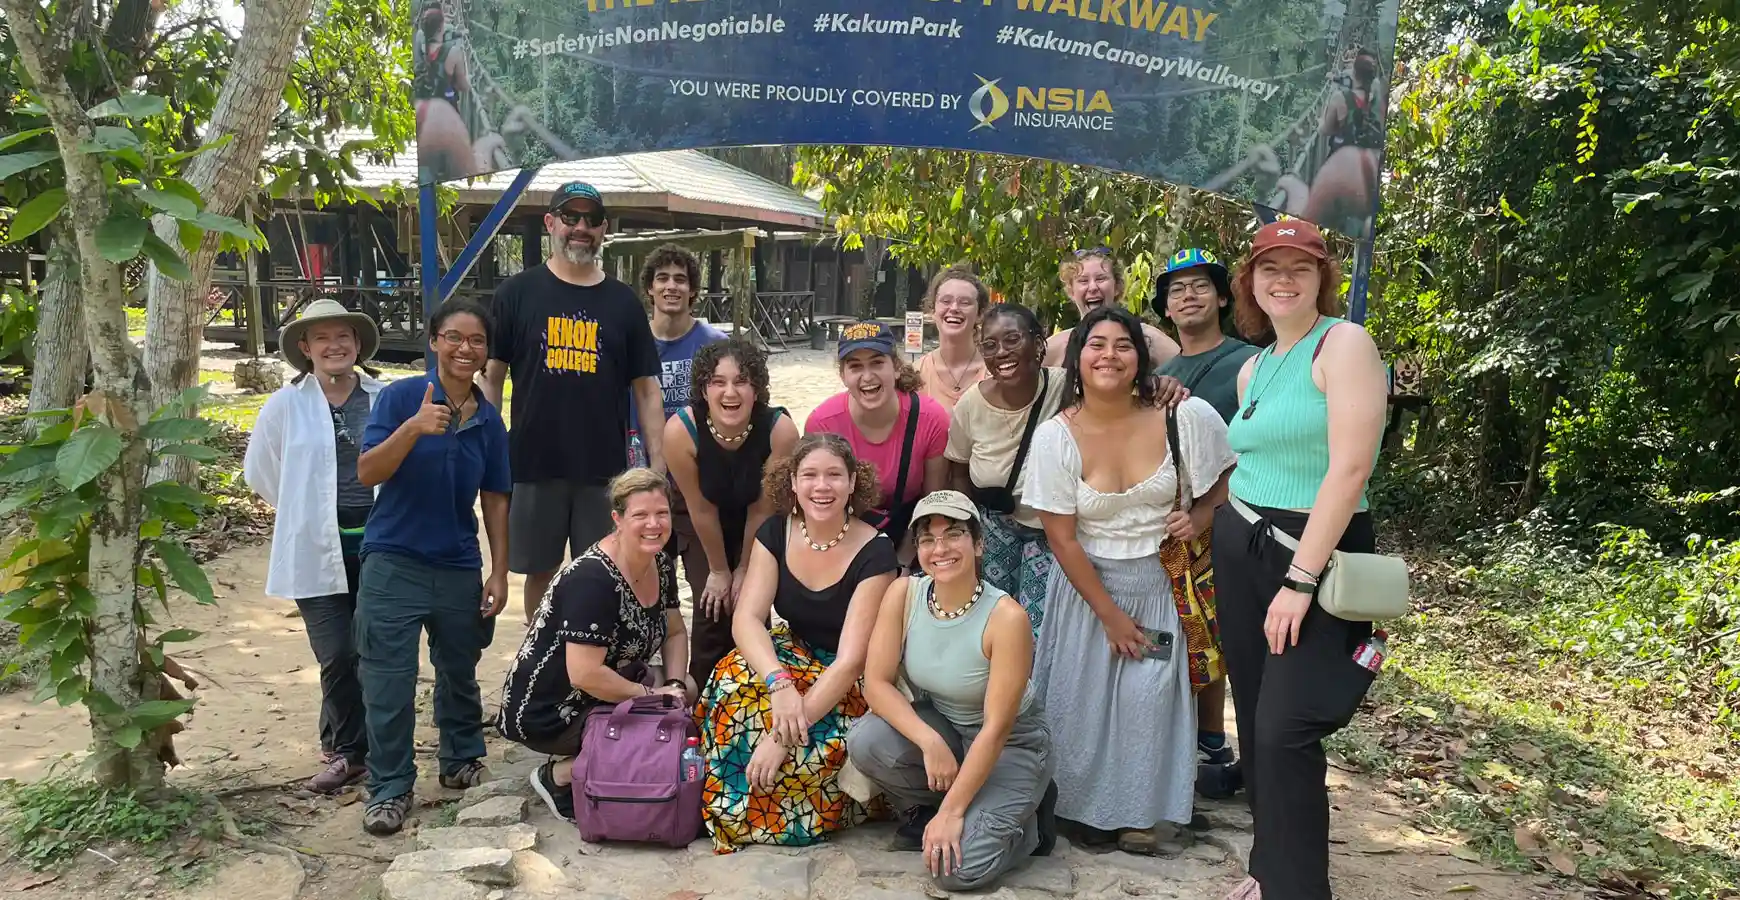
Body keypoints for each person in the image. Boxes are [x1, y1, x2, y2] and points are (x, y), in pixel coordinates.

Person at [1213, 220, 1388, 900]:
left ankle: (1296, 891)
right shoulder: (1256, 365)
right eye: (1269, 268)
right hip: (1244, 546)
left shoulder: (1342, 344)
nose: (1283, 279)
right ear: (1250, 282)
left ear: (1323, 279)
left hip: (1313, 551)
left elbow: (1349, 468)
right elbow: (1251, 460)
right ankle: (1271, 872)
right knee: (1255, 723)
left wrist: (1300, 579)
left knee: (1287, 730)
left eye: (1300, 268)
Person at [1024, 305, 1235, 855]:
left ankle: (1143, 813)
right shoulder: (1055, 437)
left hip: (1161, 580)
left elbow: (1230, 478)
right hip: (1084, 588)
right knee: (1079, 705)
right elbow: (1062, 538)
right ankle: (1076, 810)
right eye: (1096, 344)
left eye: (1124, 344)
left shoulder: (1182, 418)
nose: (1109, 355)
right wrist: (1110, 617)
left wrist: (1202, 516)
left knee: (1150, 702)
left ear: (1141, 358)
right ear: (1077, 359)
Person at [697, 434, 899, 852]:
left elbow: (850, 660)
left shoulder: (876, 552)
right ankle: (731, 802)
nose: (821, 487)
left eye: (833, 476)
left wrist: (783, 735)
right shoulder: (775, 532)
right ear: (791, 482)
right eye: (809, 475)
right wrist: (779, 683)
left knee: (805, 749)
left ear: (851, 484)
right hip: (794, 656)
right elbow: (748, 619)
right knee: (734, 690)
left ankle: (774, 814)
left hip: (849, 681)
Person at [354, 297, 512, 835]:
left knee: (459, 668)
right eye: (454, 337)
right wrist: (414, 428)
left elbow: (495, 496)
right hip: (393, 561)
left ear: (487, 352)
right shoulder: (401, 398)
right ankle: (390, 788)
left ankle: (460, 760)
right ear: (433, 341)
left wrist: (498, 570)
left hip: (457, 563)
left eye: (476, 341)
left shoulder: (489, 420)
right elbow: (367, 472)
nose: (465, 349)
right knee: (388, 681)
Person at [847, 491, 1057, 892]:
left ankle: (1028, 828)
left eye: (954, 535)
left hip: (1012, 744)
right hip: (948, 730)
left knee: (955, 872)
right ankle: (954, 807)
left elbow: (996, 729)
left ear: (978, 544)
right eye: (927, 538)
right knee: (866, 740)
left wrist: (954, 813)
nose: (939, 548)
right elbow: (875, 684)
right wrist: (929, 742)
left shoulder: (1006, 618)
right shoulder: (904, 594)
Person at [484, 181, 664, 624]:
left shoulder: (623, 303)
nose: (580, 227)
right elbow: (492, 378)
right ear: (551, 223)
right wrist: (487, 452)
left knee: (603, 574)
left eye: (590, 219)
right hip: (532, 464)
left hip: (604, 471)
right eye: (570, 217)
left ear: (603, 229)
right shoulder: (516, 294)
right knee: (540, 574)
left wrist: (656, 469)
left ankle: (592, 674)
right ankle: (539, 664)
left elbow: (646, 389)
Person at [243, 298, 385, 793]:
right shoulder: (286, 404)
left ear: (357, 343)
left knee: (375, 649)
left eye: (342, 335)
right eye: (321, 338)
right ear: (305, 348)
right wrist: (309, 507)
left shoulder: (382, 396)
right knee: (336, 652)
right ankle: (348, 751)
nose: (334, 345)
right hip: (314, 545)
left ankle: (362, 748)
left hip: (378, 544)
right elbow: (260, 470)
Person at [496, 468, 692, 823]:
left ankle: (609, 749)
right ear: (617, 519)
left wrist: (674, 686)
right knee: (651, 725)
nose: (654, 524)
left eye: (661, 513)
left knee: (687, 690)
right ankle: (559, 776)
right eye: (640, 515)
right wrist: (652, 697)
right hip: (552, 708)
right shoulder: (593, 578)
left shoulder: (660, 562)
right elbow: (584, 673)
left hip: (608, 683)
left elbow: (676, 632)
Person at [1156, 247, 1260, 774]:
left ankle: (1239, 746)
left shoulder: (1248, 362)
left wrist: (1209, 512)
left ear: (1222, 296)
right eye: (1176, 290)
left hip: (1239, 517)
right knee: (1191, 629)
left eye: (1200, 286)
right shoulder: (1159, 373)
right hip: (1178, 526)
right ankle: (1201, 739)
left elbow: (1258, 444)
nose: (1188, 296)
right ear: (1166, 310)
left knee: (1233, 632)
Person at [663, 338, 799, 687]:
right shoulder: (681, 431)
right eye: (718, 382)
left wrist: (744, 568)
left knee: (751, 603)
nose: (730, 392)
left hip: (757, 518)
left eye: (741, 381)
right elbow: (700, 506)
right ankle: (700, 699)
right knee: (713, 604)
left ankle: (756, 695)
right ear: (703, 389)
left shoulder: (779, 430)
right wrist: (720, 570)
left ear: (757, 388)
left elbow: (762, 508)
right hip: (698, 518)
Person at [943, 303, 1068, 635]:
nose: (1002, 352)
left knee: (1036, 625)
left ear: (1040, 344)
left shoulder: (1067, 388)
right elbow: (957, 470)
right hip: (996, 526)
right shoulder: (971, 404)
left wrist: (1161, 387)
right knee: (992, 616)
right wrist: (967, 533)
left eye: (1013, 339)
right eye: (990, 345)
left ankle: (1033, 687)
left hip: (1052, 529)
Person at [805, 320, 950, 552]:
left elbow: (932, 504)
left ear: (896, 367)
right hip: (842, 538)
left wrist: (903, 560)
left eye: (877, 363)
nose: (868, 376)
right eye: (855, 367)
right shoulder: (822, 423)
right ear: (842, 375)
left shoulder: (931, 420)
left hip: (911, 536)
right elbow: (817, 505)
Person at [627, 244, 728, 466]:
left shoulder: (717, 344)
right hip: (643, 469)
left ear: (692, 290)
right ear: (650, 288)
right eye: (662, 278)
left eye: (680, 280)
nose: (671, 286)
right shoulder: (631, 343)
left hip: (701, 466)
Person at [1042, 248, 1180, 368]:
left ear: (1117, 287)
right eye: (1083, 281)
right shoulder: (1055, 347)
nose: (1093, 287)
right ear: (1071, 291)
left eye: (1101, 279)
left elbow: (1186, 373)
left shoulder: (1149, 338)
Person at [912, 267, 989, 411]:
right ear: (932, 311)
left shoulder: (994, 374)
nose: (954, 308)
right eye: (946, 301)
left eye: (965, 302)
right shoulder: (915, 375)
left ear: (980, 314)